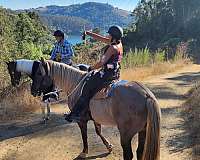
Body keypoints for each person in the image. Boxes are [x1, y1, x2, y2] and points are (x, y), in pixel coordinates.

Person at [65, 25, 123, 122]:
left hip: (106, 75)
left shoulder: (112, 48)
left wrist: (90, 68)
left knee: (86, 87)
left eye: (109, 34)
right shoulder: (118, 43)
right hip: (115, 73)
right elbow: (102, 39)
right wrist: (89, 33)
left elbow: (101, 62)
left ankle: (77, 114)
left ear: (113, 36)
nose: (107, 36)